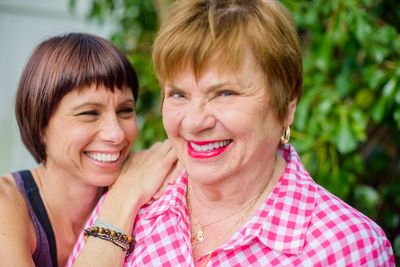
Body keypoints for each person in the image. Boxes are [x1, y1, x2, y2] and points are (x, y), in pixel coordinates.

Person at [68, 0, 395, 266]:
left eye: (224, 93)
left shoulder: (349, 248)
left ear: (287, 103)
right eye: (179, 94)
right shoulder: (132, 202)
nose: (195, 122)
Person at [0, 32, 177, 266]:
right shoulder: (7, 204)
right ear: (40, 123)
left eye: (125, 110)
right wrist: (123, 197)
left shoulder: (146, 179)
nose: (116, 134)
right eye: (89, 113)